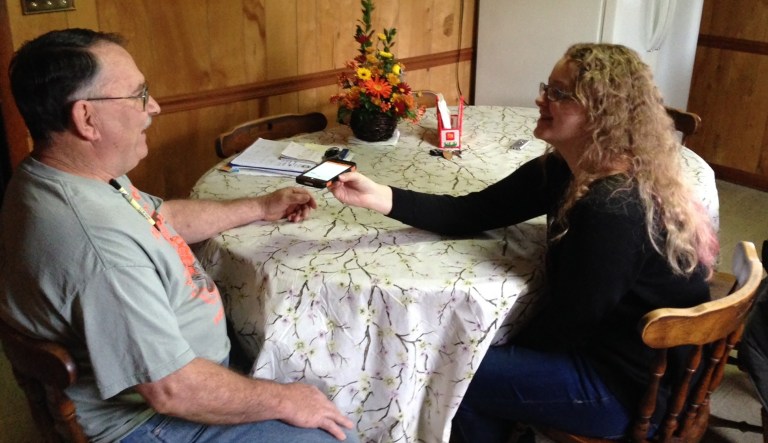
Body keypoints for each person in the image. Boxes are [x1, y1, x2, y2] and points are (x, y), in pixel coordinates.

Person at [329, 43, 719, 441]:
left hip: (627, 392)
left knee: (458, 376)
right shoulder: (569, 167)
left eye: (559, 93)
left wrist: (490, 346)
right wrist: (377, 195)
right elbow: (474, 211)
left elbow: (567, 327)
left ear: (602, 113)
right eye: (546, 87)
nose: (541, 98)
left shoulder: (613, 208)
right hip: (614, 359)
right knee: (469, 362)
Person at [0, 28, 358, 443]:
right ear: (86, 118)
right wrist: (286, 401)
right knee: (334, 425)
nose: (153, 106)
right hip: (148, 420)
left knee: (310, 355)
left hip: (180, 372)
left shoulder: (67, 175)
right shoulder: (96, 243)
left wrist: (260, 207)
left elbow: (160, 216)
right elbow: (172, 389)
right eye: (137, 94)